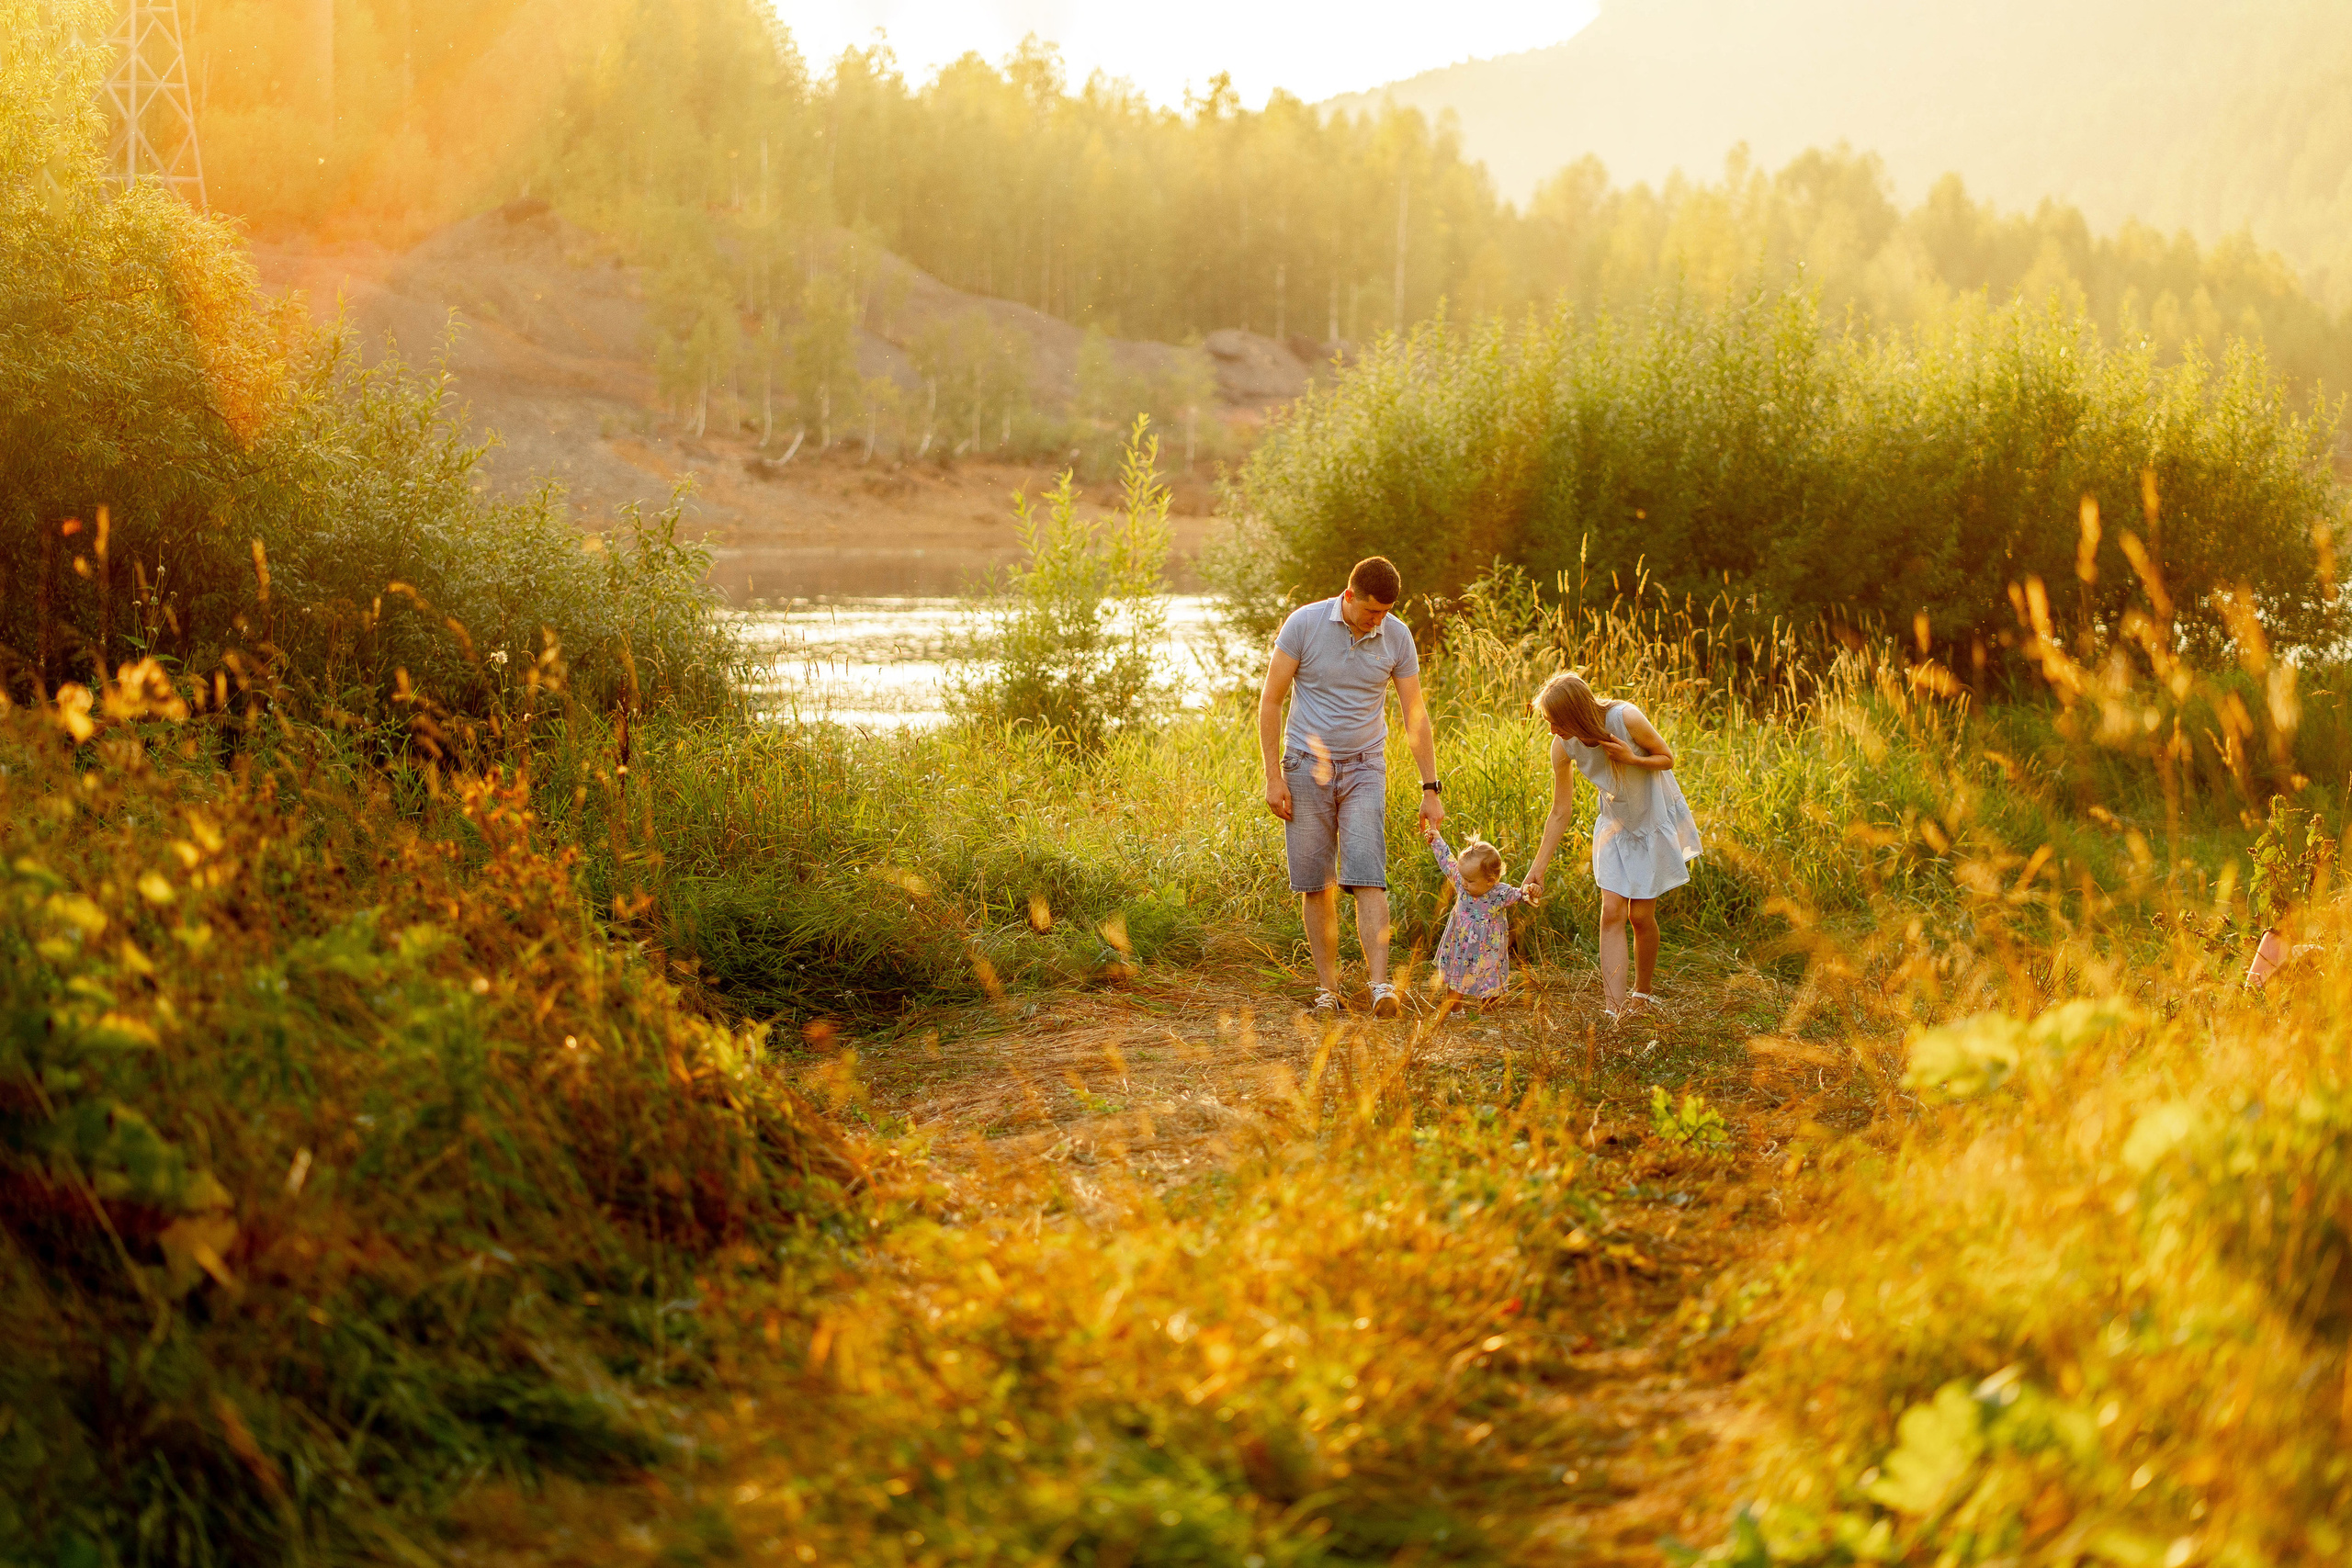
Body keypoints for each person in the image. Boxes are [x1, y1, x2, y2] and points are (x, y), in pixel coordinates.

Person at [1258, 556, 1443, 1019]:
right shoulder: (1304, 624)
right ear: (1349, 596)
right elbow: (1271, 699)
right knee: (1316, 883)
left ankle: (1380, 986)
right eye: (1370, 612)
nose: (1377, 620)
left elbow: (1414, 715)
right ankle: (1328, 990)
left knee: (1367, 874)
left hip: (1365, 767)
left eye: (1384, 612)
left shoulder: (1397, 637)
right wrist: (1273, 776)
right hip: (1305, 765)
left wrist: (1430, 787)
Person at [1521, 672, 1702, 1020]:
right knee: (1612, 913)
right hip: (1614, 828)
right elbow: (1560, 811)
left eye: (1555, 722)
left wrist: (1632, 759)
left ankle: (1643, 994)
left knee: (1640, 916)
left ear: (1576, 714)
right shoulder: (1562, 745)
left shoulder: (1626, 717)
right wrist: (1537, 869)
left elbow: (1667, 758)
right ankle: (1614, 1011)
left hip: (1651, 822)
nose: (1551, 730)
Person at [1422, 827, 1526, 1015]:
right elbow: (1447, 861)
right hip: (1461, 944)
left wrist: (1531, 891)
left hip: (1488, 948)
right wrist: (1436, 839)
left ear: (1490, 880)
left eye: (1470, 880)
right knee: (1456, 976)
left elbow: (1522, 894)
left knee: (1490, 978)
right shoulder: (1462, 881)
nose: (1463, 883)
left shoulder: (1500, 893)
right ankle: (1454, 1010)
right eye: (1462, 878)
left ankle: (1489, 1012)